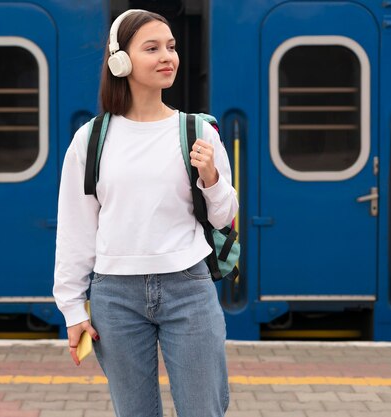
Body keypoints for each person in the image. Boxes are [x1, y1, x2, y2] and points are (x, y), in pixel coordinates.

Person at [53, 9, 238, 417]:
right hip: (114, 296)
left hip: (188, 288)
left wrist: (211, 177)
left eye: (171, 47)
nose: (166, 56)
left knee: (203, 410)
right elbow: (75, 229)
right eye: (151, 48)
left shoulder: (198, 131)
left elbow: (224, 216)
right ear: (121, 60)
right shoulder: (91, 140)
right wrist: (71, 309)